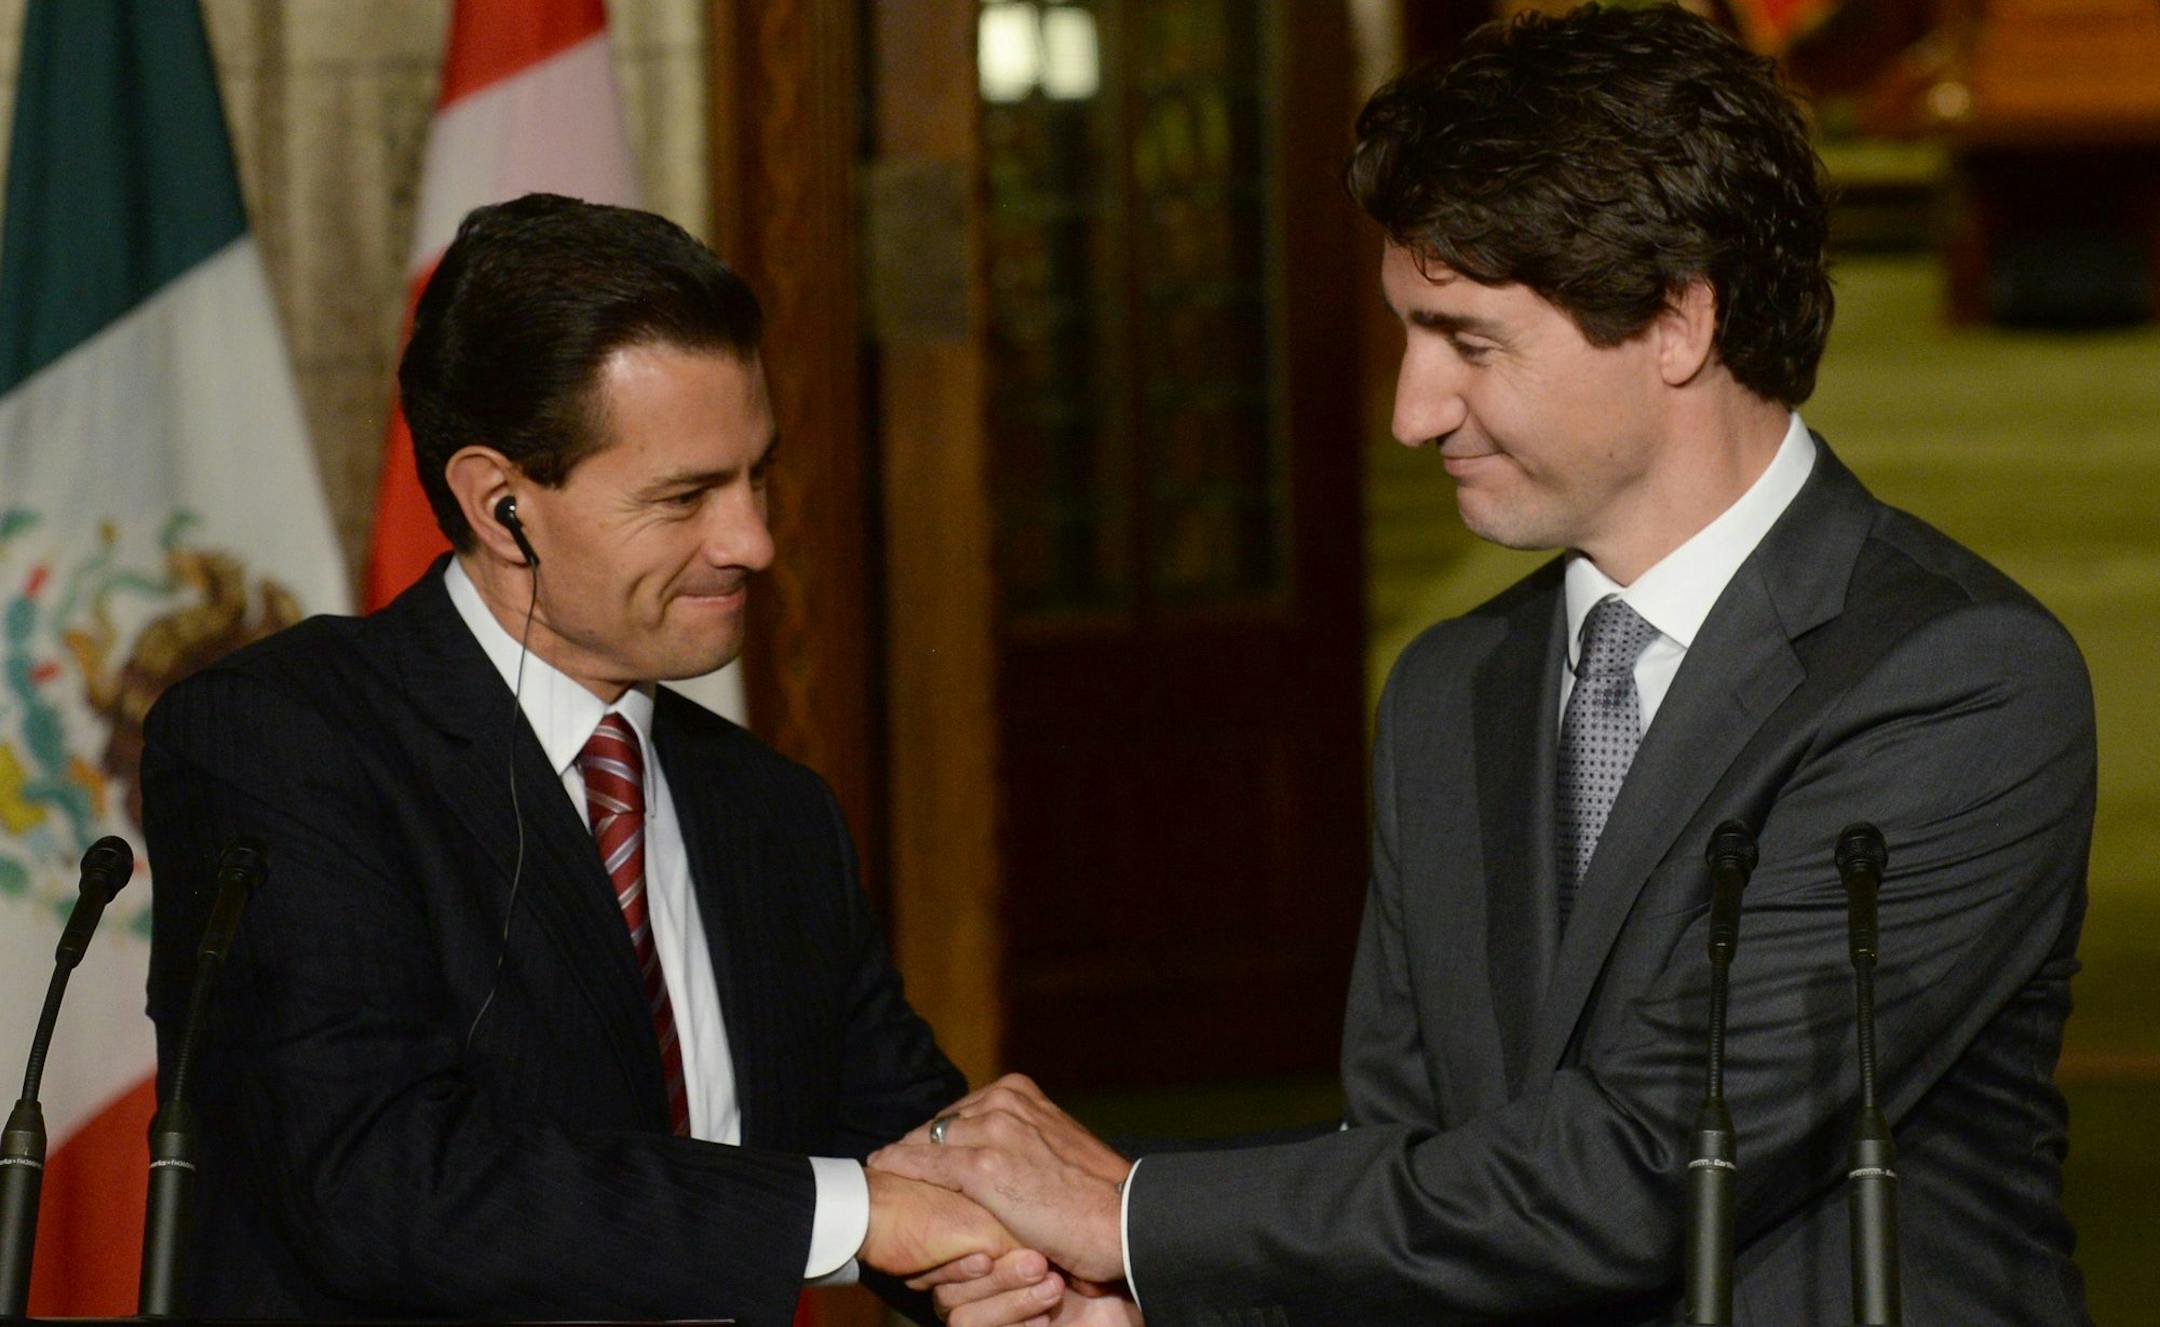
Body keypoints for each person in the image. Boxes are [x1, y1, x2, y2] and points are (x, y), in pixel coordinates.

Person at [874, 7, 2095, 1324]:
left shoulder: (1955, 679)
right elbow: (1411, 1171)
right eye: (1410, 332)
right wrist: (1140, 1298)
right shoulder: (1453, 683)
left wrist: (1126, 1214)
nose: (1414, 409)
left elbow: (1651, 1162)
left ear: (1679, 319)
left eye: (1468, 339)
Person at [141, 193, 1014, 1325]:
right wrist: (852, 1218)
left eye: (758, 475)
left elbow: (911, 1158)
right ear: (502, 507)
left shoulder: (774, 810)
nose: (754, 539)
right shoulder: (281, 744)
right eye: (686, 496)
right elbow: (381, 1184)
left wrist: (1038, 1256)